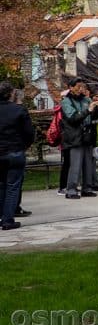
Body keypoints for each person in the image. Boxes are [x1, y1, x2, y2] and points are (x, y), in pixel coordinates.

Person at [0, 82, 34, 230]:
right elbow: (29, 133)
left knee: (1, 186)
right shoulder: (19, 110)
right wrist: (23, 146)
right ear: (11, 94)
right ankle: (8, 219)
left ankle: (2, 216)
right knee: (13, 186)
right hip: (15, 150)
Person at [61, 81, 98, 199]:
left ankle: (87, 188)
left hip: (87, 135)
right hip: (75, 136)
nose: (81, 89)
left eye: (82, 87)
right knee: (75, 164)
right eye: (78, 87)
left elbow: (92, 117)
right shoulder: (66, 101)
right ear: (71, 87)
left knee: (88, 163)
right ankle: (71, 189)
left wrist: (97, 110)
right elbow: (73, 118)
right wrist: (88, 110)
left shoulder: (86, 100)